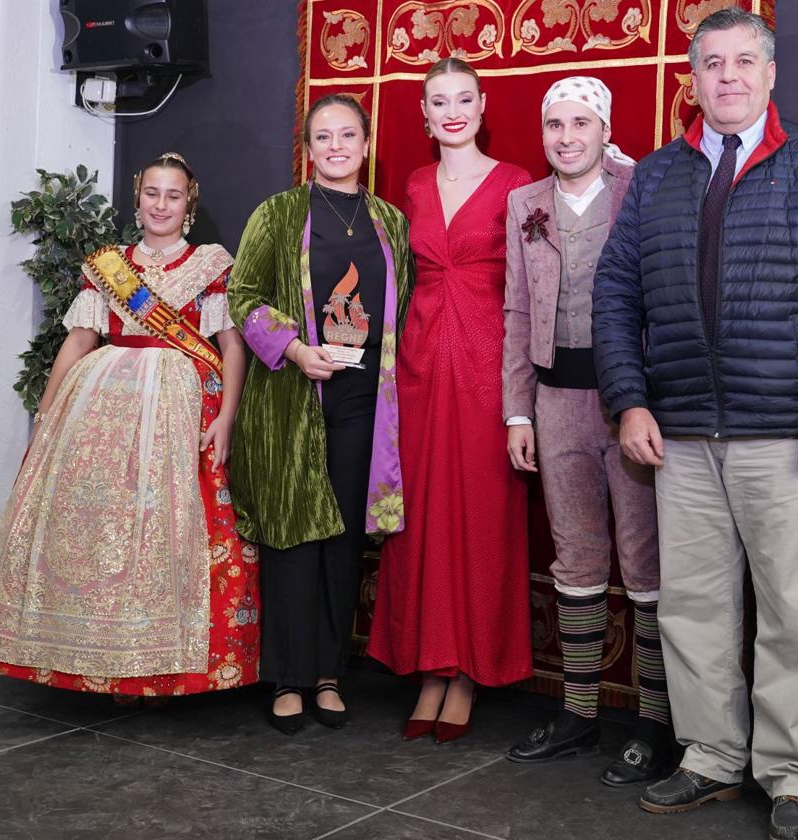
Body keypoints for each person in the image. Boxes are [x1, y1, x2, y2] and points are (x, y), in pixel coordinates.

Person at [591, 9, 798, 839]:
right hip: (680, 437)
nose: (727, 77)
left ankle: (795, 777)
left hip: (788, 437)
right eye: (712, 63)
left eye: (742, 62)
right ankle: (712, 758)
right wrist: (630, 398)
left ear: (769, 74)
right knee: (692, 608)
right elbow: (615, 294)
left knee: (794, 614)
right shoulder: (655, 175)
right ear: (694, 78)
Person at [0, 153, 260, 697]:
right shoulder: (107, 266)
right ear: (137, 196)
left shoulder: (210, 263)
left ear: (188, 202)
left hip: (180, 408)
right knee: (99, 522)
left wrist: (228, 418)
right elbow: (79, 340)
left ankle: (167, 661)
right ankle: (91, 651)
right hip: (101, 406)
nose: (161, 204)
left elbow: (230, 346)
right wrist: (46, 414)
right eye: (152, 193)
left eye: (173, 195)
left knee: (171, 522)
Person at [500, 77, 673, 786]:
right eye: (554, 125)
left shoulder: (645, 189)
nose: (566, 136)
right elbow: (515, 312)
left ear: (605, 129)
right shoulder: (524, 204)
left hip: (630, 402)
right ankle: (577, 714)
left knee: (646, 566)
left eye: (580, 123)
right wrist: (518, 410)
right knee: (575, 559)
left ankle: (658, 726)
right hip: (555, 400)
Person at [228, 94, 412, 735]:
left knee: (341, 543)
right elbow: (242, 295)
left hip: (364, 404)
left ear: (366, 144)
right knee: (291, 538)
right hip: (290, 403)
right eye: (323, 137)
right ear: (308, 151)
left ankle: (330, 674)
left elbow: (404, 311)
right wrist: (294, 348)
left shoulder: (390, 221)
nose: (336, 147)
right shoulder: (278, 215)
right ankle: (286, 677)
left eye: (348, 135)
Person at [367, 57, 534, 743]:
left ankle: (465, 671)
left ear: (482, 104)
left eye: (464, 98)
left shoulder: (518, 184)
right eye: (440, 101)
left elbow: (530, 291)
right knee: (422, 519)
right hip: (418, 367)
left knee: (482, 519)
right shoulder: (410, 185)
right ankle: (429, 668)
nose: (453, 110)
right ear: (425, 115)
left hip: (486, 371)